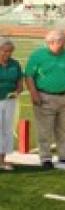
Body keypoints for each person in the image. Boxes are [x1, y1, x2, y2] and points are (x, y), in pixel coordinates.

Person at [25, 30, 65, 169]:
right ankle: (45, 158)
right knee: (45, 129)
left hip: (63, 96)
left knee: (64, 128)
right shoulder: (38, 55)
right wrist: (34, 94)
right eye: (62, 41)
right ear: (52, 42)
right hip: (45, 96)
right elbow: (29, 76)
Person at [0, 37, 23, 170]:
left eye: (10, 51)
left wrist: (17, 91)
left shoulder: (15, 64)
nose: (7, 54)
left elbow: (20, 82)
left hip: (10, 101)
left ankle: (2, 160)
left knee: (7, 130)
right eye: (4, 51)